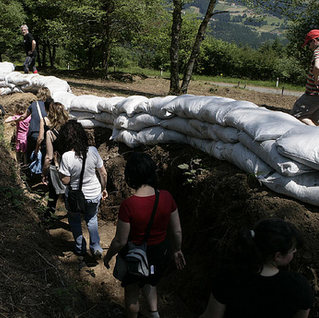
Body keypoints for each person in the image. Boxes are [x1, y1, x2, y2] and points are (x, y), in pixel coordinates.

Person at [103, 152, 186, 318]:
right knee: (150, 281)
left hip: (134, 256)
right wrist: (177, 250)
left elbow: (120, 240)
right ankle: (154, 314)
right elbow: (176, 230)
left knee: (132, 291)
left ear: (131, 176)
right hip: (159, 252)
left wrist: (109, 255)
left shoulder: (128, 205)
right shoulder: (167, 197)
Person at [199, 218, 314, 318]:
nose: (294, 253)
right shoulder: (299, 287)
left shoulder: (229, 275)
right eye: (292, 250)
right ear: (278, 256)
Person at [58, 120, 108, 258]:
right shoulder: (92, 151)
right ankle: (96, 247)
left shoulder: (66, 156)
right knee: (92, 218)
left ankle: (80, 248)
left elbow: (65, 180)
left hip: (74, 196)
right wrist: (104, 189)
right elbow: (103, 173)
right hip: (93, 193)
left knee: (74, 221)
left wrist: (59, 170)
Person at [41, 102, 70, 220]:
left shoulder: (50, 133)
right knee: (69, 194)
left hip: (56, 167)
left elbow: (49, 157)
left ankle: (48, 218)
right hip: (71, 165)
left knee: (53, 194)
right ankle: (73, 217)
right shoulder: (70, 130)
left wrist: (43, 173)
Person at [291, 29, 319, 126]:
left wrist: (316, 79)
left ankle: (315, 134)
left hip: (313, 93)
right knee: (314, 119)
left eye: (308, 43)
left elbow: (317, 66)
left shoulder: (317, 51)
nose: (309, 47)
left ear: (314, 41)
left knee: (297, 115)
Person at [18, 87, 51, 163]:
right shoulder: (49, 106)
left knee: (31, 154)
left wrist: (14, 118)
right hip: (46, 136)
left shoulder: (33, 105)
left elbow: (23, 116)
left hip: (34, 134)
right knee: (44, 156)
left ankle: (29, 171)